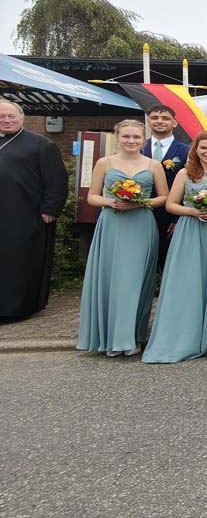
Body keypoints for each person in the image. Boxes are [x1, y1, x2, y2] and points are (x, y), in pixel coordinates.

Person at [143, 132, 207, 363]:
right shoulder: (184, 174)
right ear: (195, 150)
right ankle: (185, 335)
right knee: (189, 282)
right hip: (190, 231)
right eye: (204, 148)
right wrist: (193, 211)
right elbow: (170, 204)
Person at [77, 119, 168, 355]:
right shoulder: (104, 163)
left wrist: (139, 202)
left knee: (135, 281)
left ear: (144, 140)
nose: (131, 141)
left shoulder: (153, 164)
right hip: (112, 224)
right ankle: (110, 338)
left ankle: (131, 337)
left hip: (141, 225)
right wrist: (111, 201)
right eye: (126, 136)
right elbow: (92, 197)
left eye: (136, 137)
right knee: (111, 280)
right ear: (117, 137)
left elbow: (164, 198)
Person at [0, 99, 68, 320]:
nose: (7, 120)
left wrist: (50, 209)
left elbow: (56, 181)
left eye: (12, 116)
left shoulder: (41, 144)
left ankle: (16, 309)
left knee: (18, 263)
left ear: (22, 118)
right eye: (2, 116)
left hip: (23, 215)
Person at [141, 105, 189, 270]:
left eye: (165, 118)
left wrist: (178, 218)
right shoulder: (138, 148)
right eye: (155, 118)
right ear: (148, 121)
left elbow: (189, 186)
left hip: (170, 216)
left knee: (168, 261)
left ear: (175, 123)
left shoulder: (186, 150)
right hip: (139, 211)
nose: (160, 121)